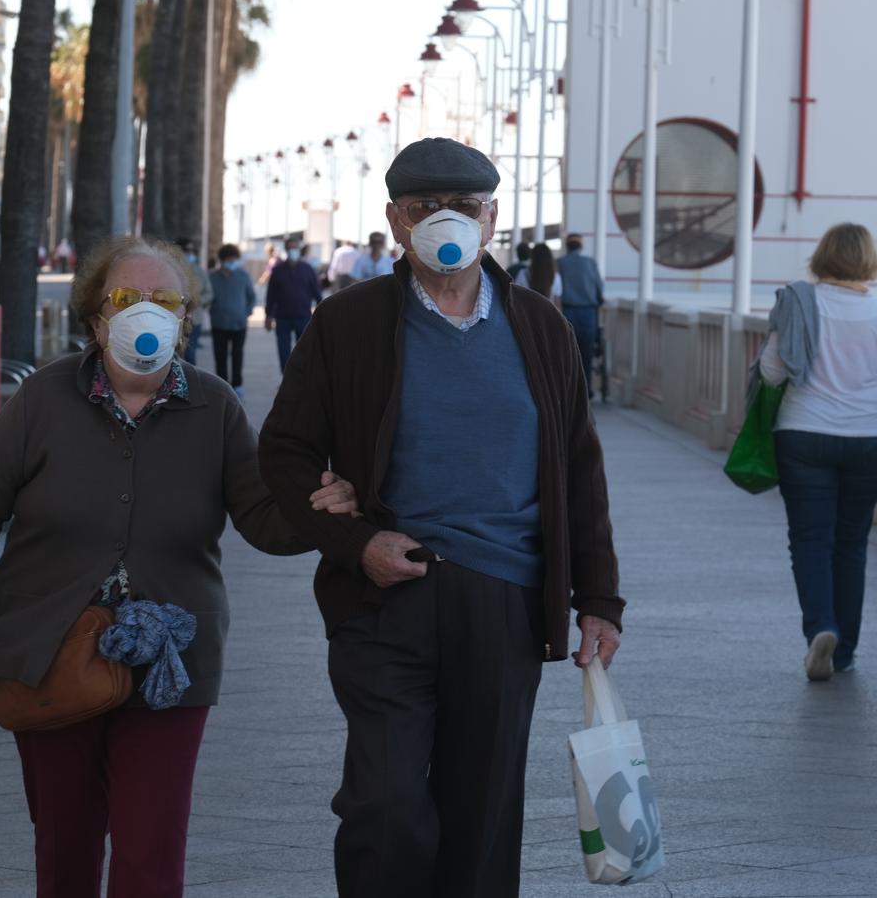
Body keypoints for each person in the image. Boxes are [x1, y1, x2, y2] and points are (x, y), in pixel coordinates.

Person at [0, 236, 359, 898]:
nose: (146, 312)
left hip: (171, 663)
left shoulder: (215, 407)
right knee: (65, 848)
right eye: (126, 299)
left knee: (151, 855)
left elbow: (263, 517)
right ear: (95, 316)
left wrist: (324, 509)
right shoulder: (42, 400)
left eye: (164, 300)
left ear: (184, 317)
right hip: (47, 654)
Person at [258, 137, 624, 898]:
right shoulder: (349, 322)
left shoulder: (540, 327)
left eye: (465, 208)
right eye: (426, 209)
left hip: (506, 602)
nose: (446, 222)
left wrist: (599, 600)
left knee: (482, 814)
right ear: (395, 221)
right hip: (385, 598)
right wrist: (355, 540)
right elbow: (286, 450)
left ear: (492, 221)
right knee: (383, 804)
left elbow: (579, 468)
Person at [759, 222, 877, 681]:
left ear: (822, 255)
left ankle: (821, 628)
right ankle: (845, 651)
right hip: (873, 442)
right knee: (851, 543)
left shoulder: (798, 303)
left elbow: (773, 372)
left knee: (810, 541)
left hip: (804, 436)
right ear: (869, 260)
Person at [264, 236, 323, 371]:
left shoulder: (307, 269)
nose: (292, 251)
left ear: (299, 249)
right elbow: (271, 295)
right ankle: (286, 380)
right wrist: (268, 316)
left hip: (303, 316)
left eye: (295, 248)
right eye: (290, 248)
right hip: (282, 317)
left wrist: (323, 313)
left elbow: (317, 293)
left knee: (304, 351)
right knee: (283, 350)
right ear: (285, 249)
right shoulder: (278, 270)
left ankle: (301, 380)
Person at [556, 234, 604, 398]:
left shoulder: (561, 263)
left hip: (568, 312)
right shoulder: (590, 263)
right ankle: (586, 389)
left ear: (568, 247)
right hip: (589, 313)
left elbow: (557, 289)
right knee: (587, 354)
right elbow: (599, 289)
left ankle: (570, 391)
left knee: (568, 354)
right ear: (580, 247)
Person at [209, 243, 256, 397]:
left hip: (239, 324)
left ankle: (237, 384)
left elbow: (252, 297)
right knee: (220, 355)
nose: (232, 262)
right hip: (219, 323)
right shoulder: (213, 277)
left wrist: (246, 312)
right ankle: (221, 385)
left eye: (234, 259)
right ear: (222, 260)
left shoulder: (243, 276)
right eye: (229, 259)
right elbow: (207, 298)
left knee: (237, 354)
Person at [176, 238, 213, 366]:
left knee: (190, 353)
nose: (189, 253)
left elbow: (209, 293)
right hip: (174, 318)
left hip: (194, 319)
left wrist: (197, 301)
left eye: (191, 250)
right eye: (186, 250)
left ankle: (191, 381)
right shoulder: (170, 270)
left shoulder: (199, 271)